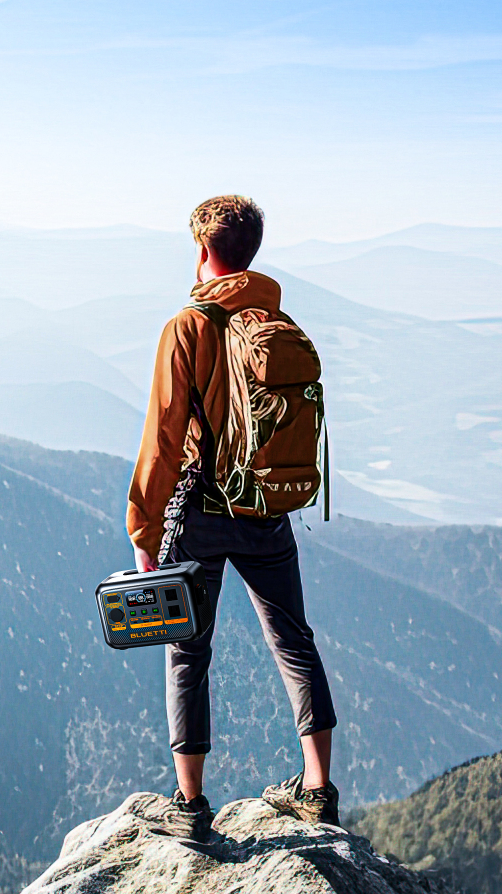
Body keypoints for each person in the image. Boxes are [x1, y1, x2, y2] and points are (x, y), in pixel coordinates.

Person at [124, 194, 340, 840]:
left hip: (202, 510)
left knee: (189, 652)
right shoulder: (277, 322)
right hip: (270, 508)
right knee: (295, 640)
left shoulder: (187, 328)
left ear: (202, 251)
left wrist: (144, 528)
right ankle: (319, 789)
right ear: (250, 253)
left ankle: (189, 806)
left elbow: (163, 440)